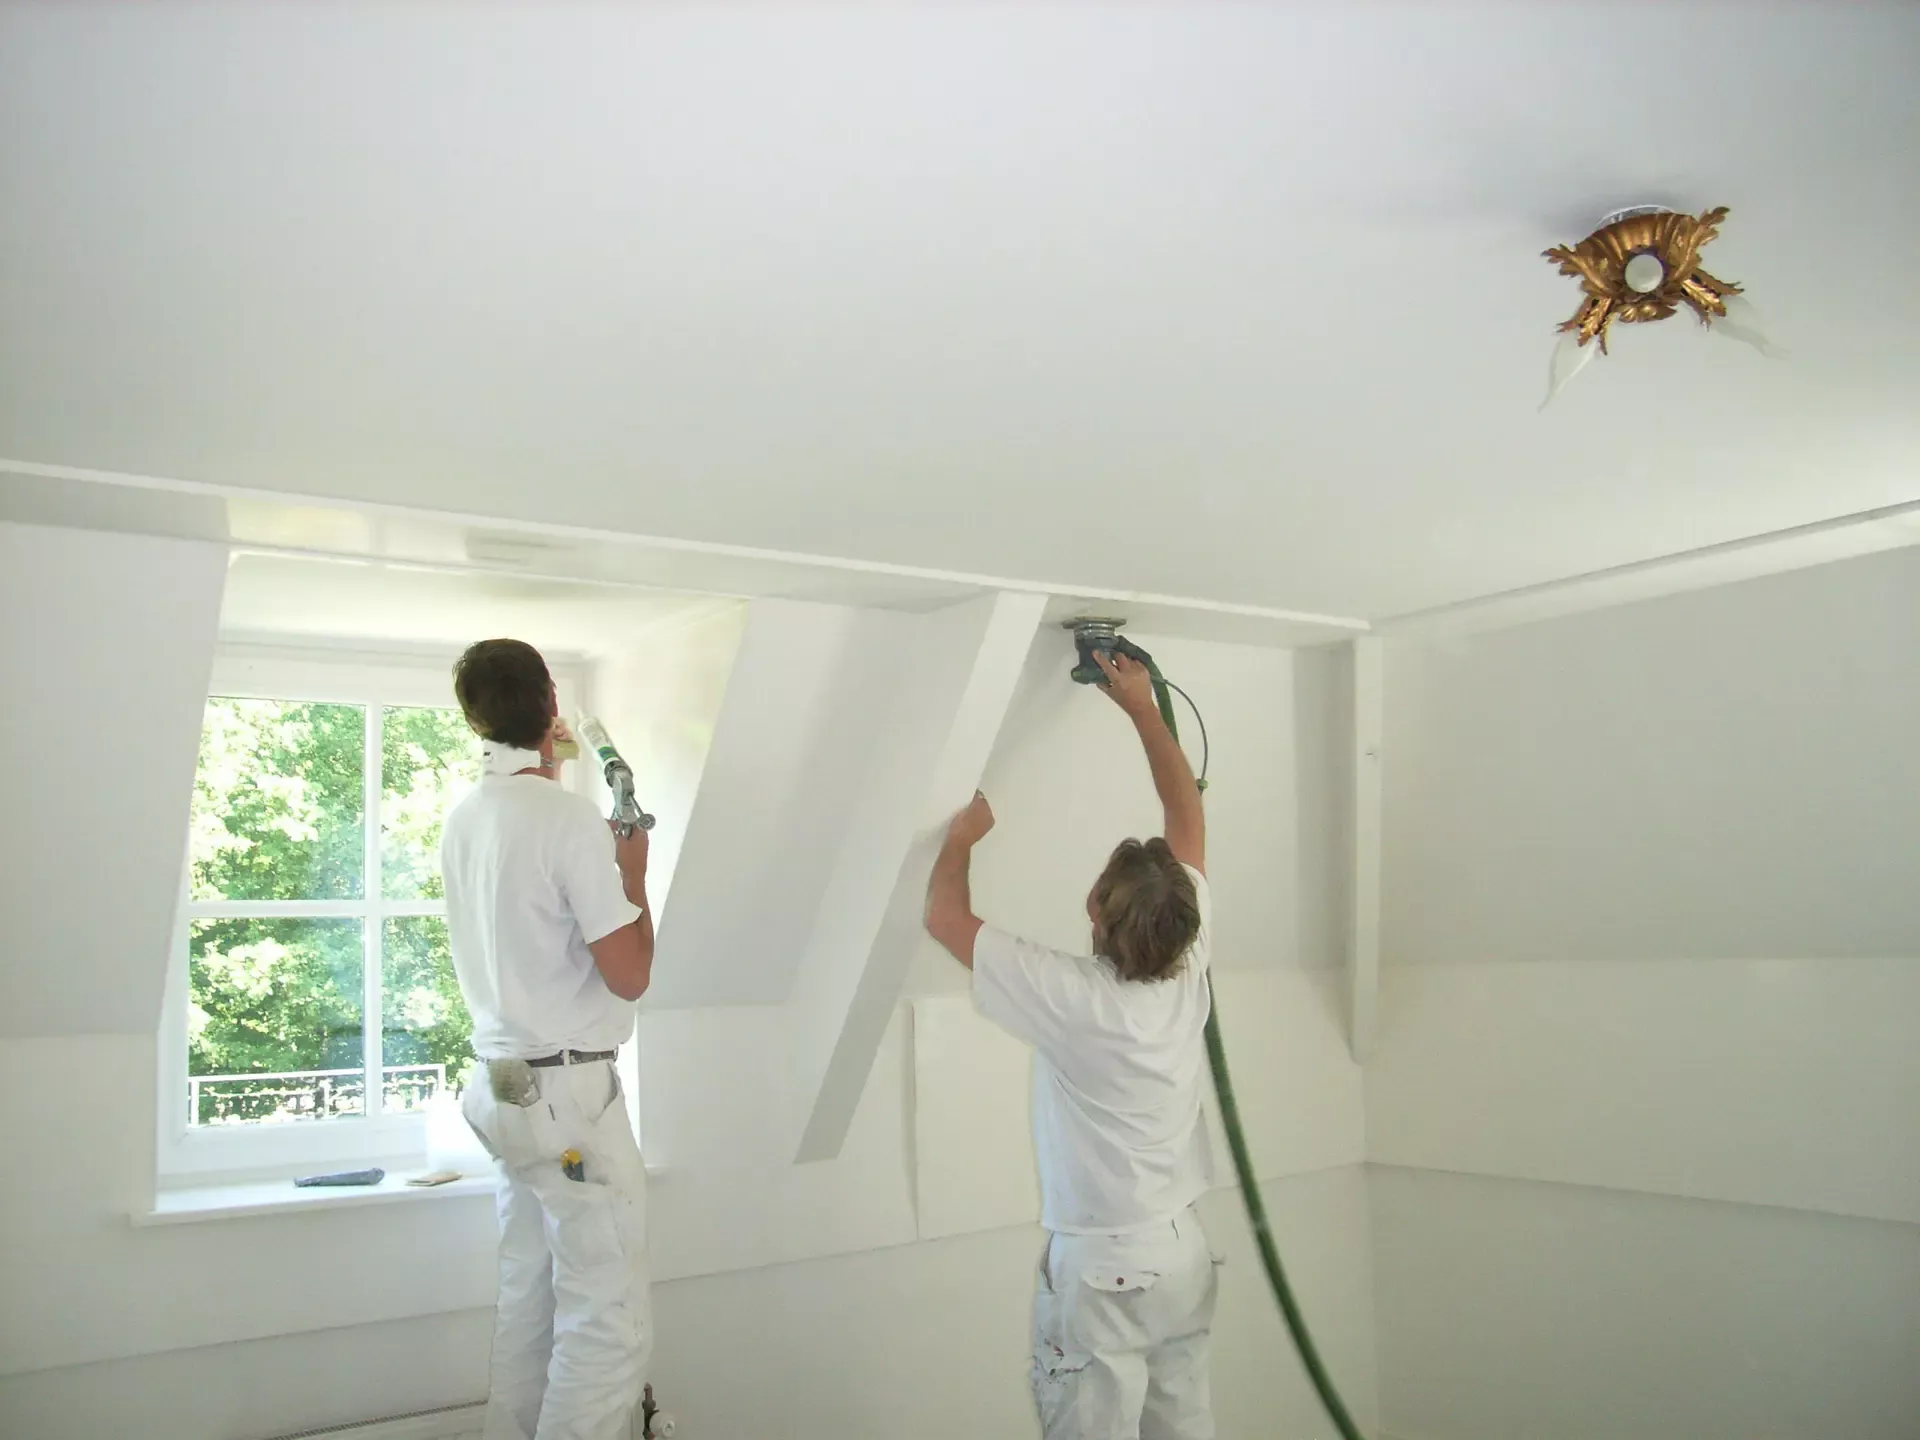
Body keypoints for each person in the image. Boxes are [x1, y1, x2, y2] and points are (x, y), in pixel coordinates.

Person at [925, 648, 1217, 1440]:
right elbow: (1187, 818)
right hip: (1181, 1252)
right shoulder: (1188, 960)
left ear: (1095, 906)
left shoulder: (1076, 1000)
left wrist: (962, 838)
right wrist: (1143, 708)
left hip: (1106, 1268)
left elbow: (945, 919)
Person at [441, 638, 655, 1440]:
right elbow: (629, 974)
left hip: (503, 1093)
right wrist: (632, 871)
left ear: (475, 721)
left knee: (527, 1302)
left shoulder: (468, 818)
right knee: (609, 1324)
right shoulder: (567, 822)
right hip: (568, 1101)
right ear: (551, 705)